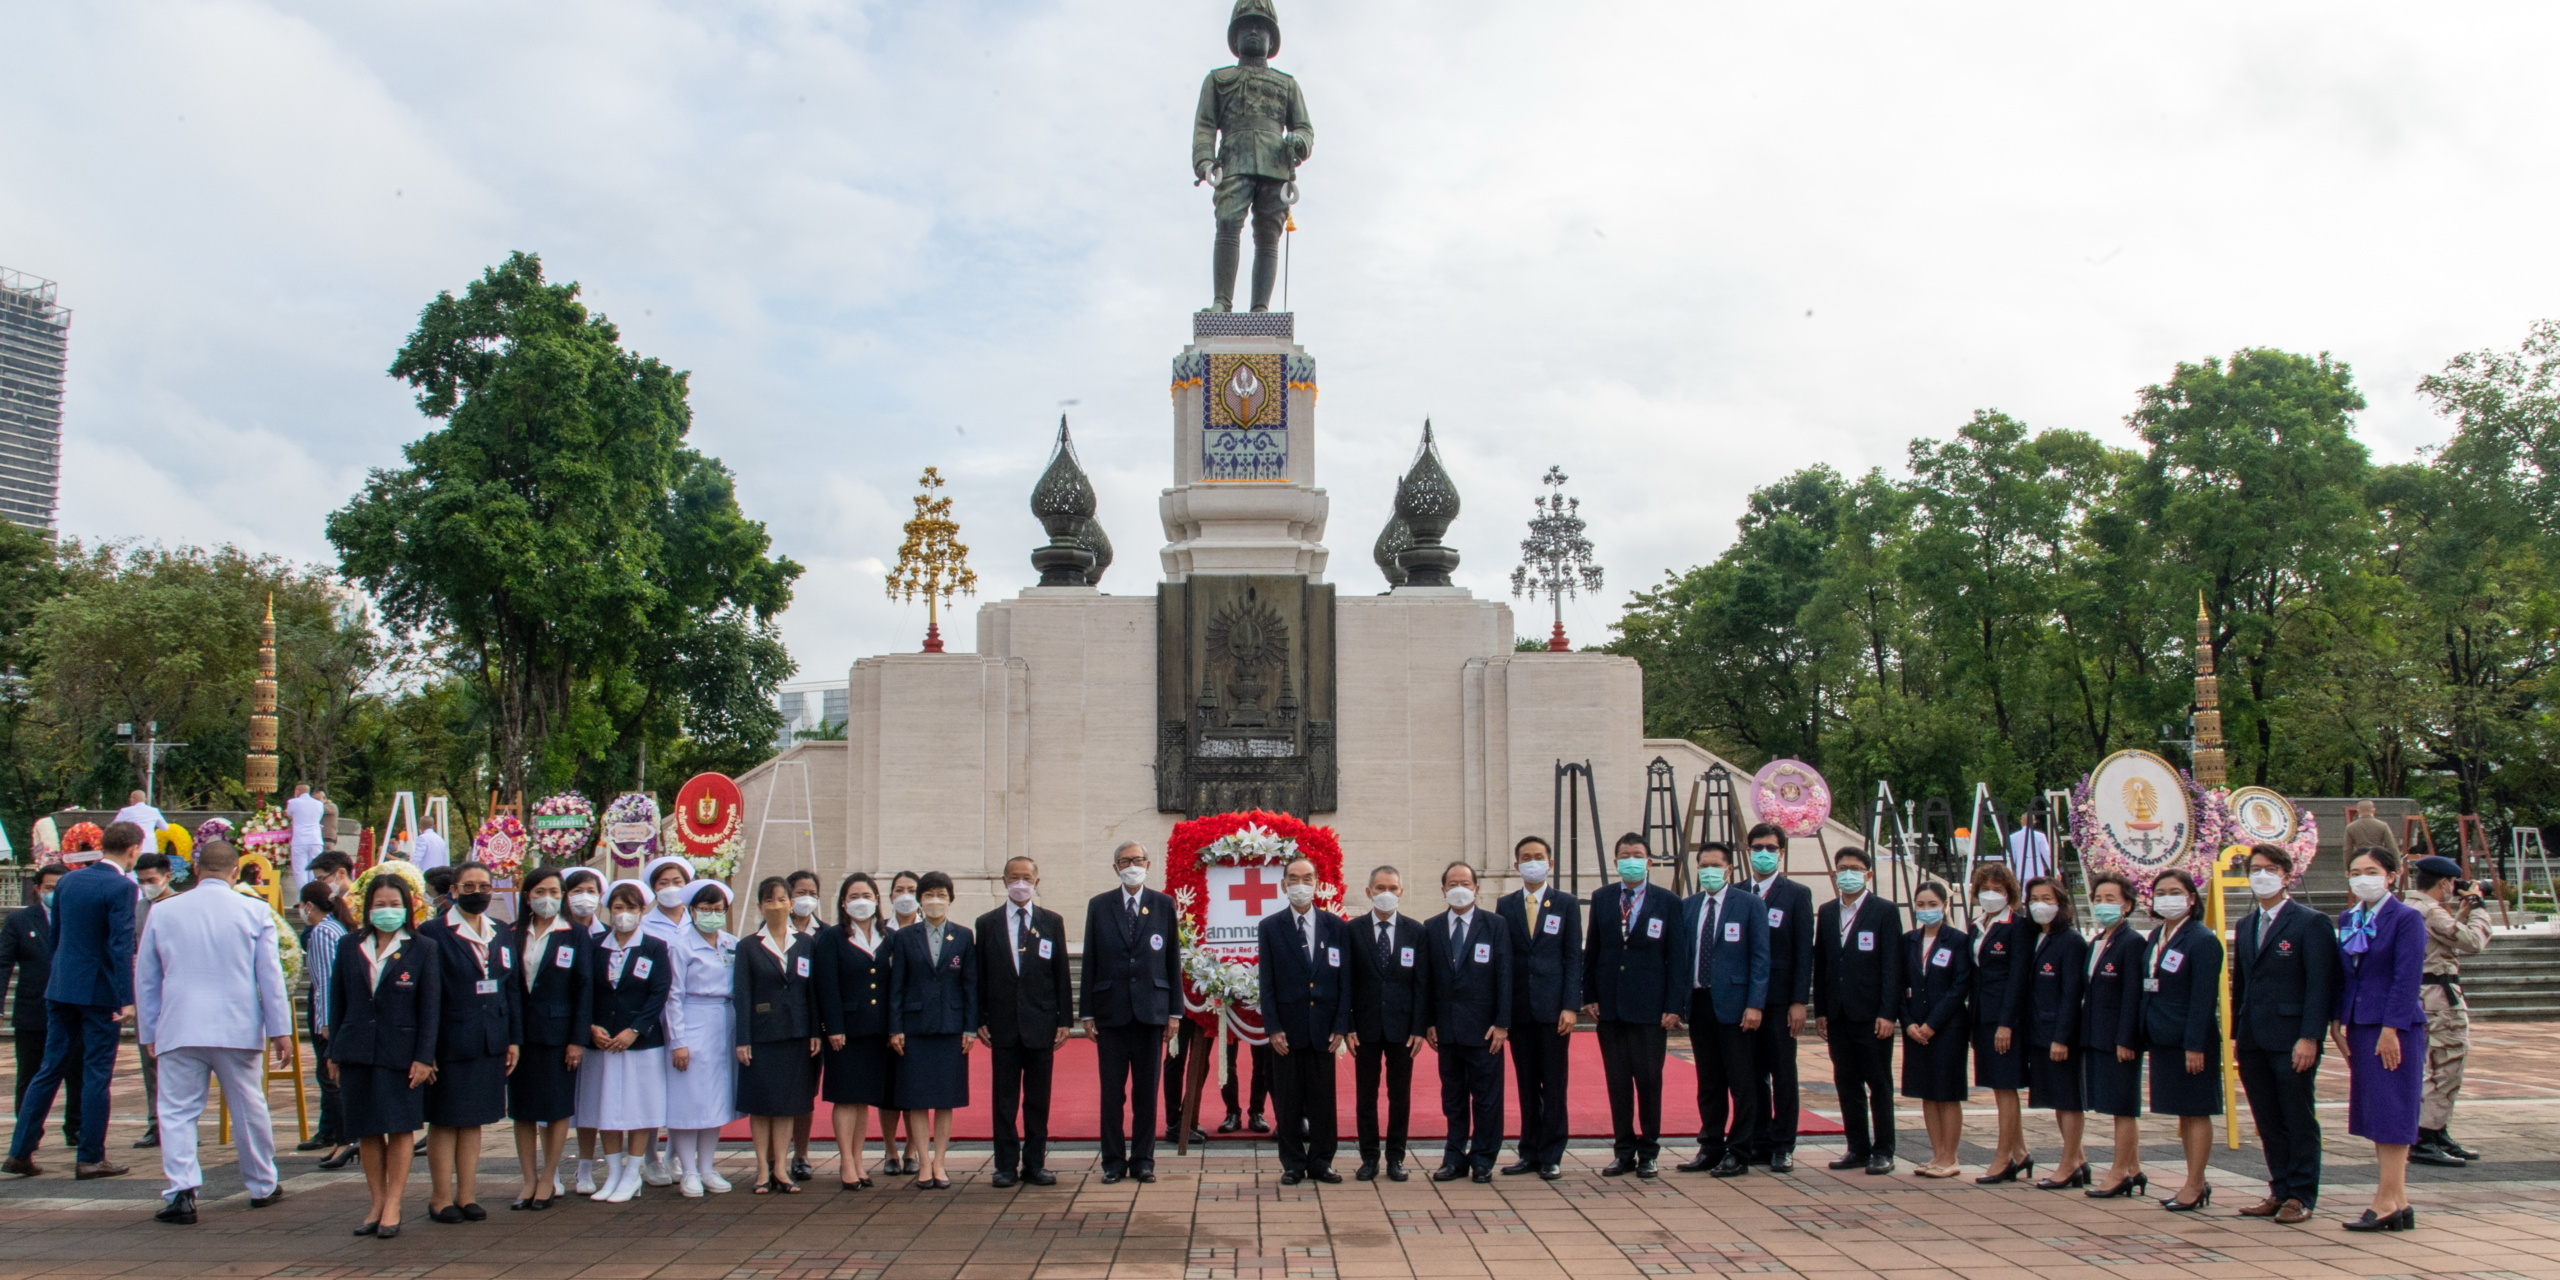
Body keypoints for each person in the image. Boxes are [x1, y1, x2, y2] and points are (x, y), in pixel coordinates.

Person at [134, 839, 294, 1225]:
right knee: (248, 1106)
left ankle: (182, 1190)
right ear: (236, 872)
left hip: (179, 1024)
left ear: (196, 869)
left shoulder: (164, 911)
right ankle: (262, 1184)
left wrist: (149, 1030)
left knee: (175, 1111)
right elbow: (270, 977)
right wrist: (280, 1031)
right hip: (236, 1025)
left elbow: (147, 978)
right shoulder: (254, 911)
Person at [3, 820, 146, 1180]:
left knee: (49, 1068)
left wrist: (58, 976)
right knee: (96, 1071)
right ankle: (90, 1155)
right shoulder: (121, 887)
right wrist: (125, 997)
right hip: (98, 991)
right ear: (132, 850)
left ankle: (20, 1151)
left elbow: (58, 936)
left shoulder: (67, 880)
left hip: (62, 985)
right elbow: (119, 944)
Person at [329, 875, 441, 1239]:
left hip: (402, 1052)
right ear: (367, 907)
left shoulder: (422, 947)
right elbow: (338, 1001)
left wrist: (425, 1057)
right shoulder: (349, 945)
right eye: (380, 904)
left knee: (399, 1126)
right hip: (356, 1048)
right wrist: (334, 1052)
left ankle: (394, 1202)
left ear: (407, 907)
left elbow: (430, 1007)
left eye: (394, 904)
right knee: (366, 1129)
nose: (387, 911)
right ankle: (376, 1201)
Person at [2228, 842, 2334, 1224]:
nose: (2262, 875)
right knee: (2267, 1118)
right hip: (2255, 1036)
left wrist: (2310, 1036)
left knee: (2297, 1115)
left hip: (2293, 1037)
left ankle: (2301, 1195)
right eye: (2255, 868)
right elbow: (2242, 983)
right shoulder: (2246, 923)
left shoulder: (2310, 922)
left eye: (2270, 868)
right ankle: (2279, 1187)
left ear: (2287, 875)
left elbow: (2320, 985)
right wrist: (2239, 1033)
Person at [416, 862, 519, 1223]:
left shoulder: (501, 930)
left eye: (485, 886)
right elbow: (427, 995)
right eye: (469, 886)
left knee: (474, 1119)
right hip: (449, 1039)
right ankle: (440, 1197)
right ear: (454, 890)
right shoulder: (433, 933)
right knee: (445, 1119)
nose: (478, 893)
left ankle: (468, 1194)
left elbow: (511, 988)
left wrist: (513, 1039)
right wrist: (426, 1051)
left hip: (490, 1037)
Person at [2334, 847, 2426, 1232]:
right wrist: (2339, 1020)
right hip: (2360, 1022)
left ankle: (2385, 1200)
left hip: (2394, 1027)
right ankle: (2398, 1200)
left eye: (2371, 870)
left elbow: (2407, 977)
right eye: (2355, 871)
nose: (2362, 878)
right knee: (2375, 1112)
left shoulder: (2406, 918)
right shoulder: (2348, 917)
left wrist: (2391, 1029)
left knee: (2393, 1110)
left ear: (2391, 875)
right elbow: (2346, 974)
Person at [1081, 842, 1182, 1185]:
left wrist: (1174, 1012)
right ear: (1115, 868)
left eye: (1137, 860)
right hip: (1111, 1012)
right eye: (1125, 861)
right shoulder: (1099, 905)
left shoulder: (1163, 904)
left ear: (1148, 864)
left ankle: (1143, 1160)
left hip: (1151, 1012)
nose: (1131, 865)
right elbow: (1091, 958)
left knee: (1145, 1092)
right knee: (1112, 1093)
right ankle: (1112, 1160)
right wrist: (1087, 1013)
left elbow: (1172, 960)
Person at [1582, 840, 1681, 1178]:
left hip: (1650, 1009)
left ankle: (1649, 1150)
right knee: (1618, 1082)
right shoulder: (1603, 898)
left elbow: (1677, 957)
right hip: (1609, 1008)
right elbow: (1593, 948)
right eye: (1625, 857)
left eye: (1637, 857)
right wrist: (1589, 995)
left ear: (1649, 862)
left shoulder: (1667, 901)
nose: (1631, 862)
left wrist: (1673, 1005)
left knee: (1649, 1080)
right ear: (1615, 861)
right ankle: (1623, 1150)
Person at [1256, 855, 1351, 1185]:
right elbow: (1266, 982)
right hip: (1287, 1030)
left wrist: (1341, 1025)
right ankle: (1293, 1163)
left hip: (1324, 1030)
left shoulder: (1336, 927)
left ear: (1317, 883)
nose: (1300, 885)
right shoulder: (1269, 927)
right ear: (1283, 885)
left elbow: (1344, 983)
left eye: (1307, 878)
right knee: (1288, 1099)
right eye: (1293, 879)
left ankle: (1322, 1161)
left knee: (1323, 1100)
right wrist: (1273, 1027)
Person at [977, 857, 1072, 1188]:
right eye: (1014, 877)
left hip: (1040, 1023)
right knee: (1003, 1100)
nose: (1021, 883)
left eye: (1026, 878)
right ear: (1004, 880)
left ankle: (1035, 1163)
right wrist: (980, 1017)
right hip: (1002, 1025)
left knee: (1037, 1099)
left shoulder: (1050, 922)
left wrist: (1064, 1019)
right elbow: (980, 975)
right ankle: (1005, 1165)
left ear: (1037, 881)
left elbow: (1060, 973)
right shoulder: (987, 923)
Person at [1675, 842, 1768, 1178]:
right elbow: (1681, 957)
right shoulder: (1688, 906)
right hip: (1699, 1002)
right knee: (1708, 1081)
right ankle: (1710, 1145)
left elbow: (1760, 957)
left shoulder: (1749, 904)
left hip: (1736, 1005)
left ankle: (1739, 1150)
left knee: (1742, 1082)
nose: (1709, 871)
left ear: (1729, 869)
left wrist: (1755, 1003)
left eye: (1715, 865)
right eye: (1703, 865)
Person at [1812, 846, 1901, 1174]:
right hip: (1838, 1013)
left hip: (1872, 1013)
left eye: (1854, 868)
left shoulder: (1884, 911)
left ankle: (1884, 1149)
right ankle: (1857, 1147)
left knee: (1878, 1082)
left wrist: (1888, 1012)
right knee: (1846, 1081)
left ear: (1868, 874)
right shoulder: (1828, 911)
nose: (1847, 875)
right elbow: (1821, 963)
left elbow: (1892, 965)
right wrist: (1821, 1009)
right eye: (1842, 869)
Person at [582, 880, 672, 1204]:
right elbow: (585, 990)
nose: (624, 915)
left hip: (639, 1043)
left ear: (642, 910)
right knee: (605, 1108)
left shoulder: (654, 947)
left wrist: (635, 1029)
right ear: (609, 910)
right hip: (602, 1042)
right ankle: (614, 1174)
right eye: (618, 908)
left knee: (638, 1109)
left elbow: (659, 992)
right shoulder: (594, 945)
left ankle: (633, 1173)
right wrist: (590, 1027)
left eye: (631, 908)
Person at [1496, 835, 1580, 1180]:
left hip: (1553, 1009)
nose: (1533, 862)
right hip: (1520, 1009)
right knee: (1527, 1084)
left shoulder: (1566, 903)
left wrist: (1570, 1006)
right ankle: (1528, 1150)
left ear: (1550, 863)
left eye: (1539, 857)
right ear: (1516, 866)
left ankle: (1552, 1152)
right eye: (1526, 858)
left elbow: (1573, 957)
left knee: (1554, 1083)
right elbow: (1503, 961)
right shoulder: (1506, 905)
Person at [507, 867, 590, 1210]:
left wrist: (577, 1039)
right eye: (541, 892)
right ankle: (528, 1178)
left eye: (556, 893)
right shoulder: (512, 933)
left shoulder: (574, 935)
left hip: (558, 1034)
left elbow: (584, 990)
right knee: (523, 1110)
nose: (548, 899)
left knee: (556, 1109)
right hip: (520, 1034)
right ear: (528, 896)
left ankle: (548, 1178)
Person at [886, 871, 973, 1190]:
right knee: (919, 1098)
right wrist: (895, 1027)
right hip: (915, 1027)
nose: (935, 901)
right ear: (920, 900)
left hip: (951, 1027)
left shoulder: (963, 936)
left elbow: (969, 985)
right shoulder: (905, 937)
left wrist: (971, 1027)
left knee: (945, 1099)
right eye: (929, 895)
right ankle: (923, 1162)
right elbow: (896, 986)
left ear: (950, 899)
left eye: (941, 895)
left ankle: (940, 1162)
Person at [1425, 860, 1509, 1183]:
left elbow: (1504, 976)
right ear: (1444, 889)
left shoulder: (1495, 925)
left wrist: (1502, 1023)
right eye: (1453, 883)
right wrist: (1428, 1022)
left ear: (1477, 888)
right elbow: (1426, 981)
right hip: (1446, 1030)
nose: (1459, 889)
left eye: (1466, 883)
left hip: (1485, 1029)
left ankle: (1484, 1157)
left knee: (1487, 1099)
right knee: (1454, 1098)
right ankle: (1454, 1156)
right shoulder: (1431, 927)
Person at [2143, 868, 2222, 1213]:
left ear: (2191, 898)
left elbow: (2203, 998)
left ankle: (2195, 1181)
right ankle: (2193, 1178)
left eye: (2175, 892)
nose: (2167, 898)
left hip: (2191, 1038)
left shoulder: (2202, 939)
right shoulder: (2156, 936)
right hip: (2162, 1034)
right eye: (2160, 892)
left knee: (2196, 1110)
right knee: (2182, 1114)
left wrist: (2194, 1044)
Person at [2406, 854, 2490, 1167]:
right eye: (2453, 884)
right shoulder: (2430, 911)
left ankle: (2437, 1129)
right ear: (2444, 882)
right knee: (2447, 1063)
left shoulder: (2411, 906)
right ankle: (2426, 1136)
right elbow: (2473, 942)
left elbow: (2446, 940)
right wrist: (2479, 909)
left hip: (2424, 994)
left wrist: (2462, 910)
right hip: (2439, 999)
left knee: (2437, 1064)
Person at [1740, 823, 1814, 1172]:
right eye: (1758, 847)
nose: (1764, 853)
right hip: (1744, 1000)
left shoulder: (1796, 894)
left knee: (1783, 1073)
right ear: (1748, 850)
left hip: (1781, 999)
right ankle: (1758, 1139)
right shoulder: (1737, 892)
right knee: (1750, 1074)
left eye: (1771, 848)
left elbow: (1803, 951)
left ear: (1781, 852)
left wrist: (1799, 1000)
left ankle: (1783, 1143)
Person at [1347, 864, 1426, 1182]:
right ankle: (1369, 1158)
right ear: (1369, 893)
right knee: (1366, 1095)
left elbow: (1422, 984)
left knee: (1399, 1095)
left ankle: (1396, 1158)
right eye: (1380, 888)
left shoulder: (1415, 931)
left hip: (1402, 1029)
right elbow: (1346, 982)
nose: (1386, 894)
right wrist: (1348, 1025)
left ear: (1401, 892)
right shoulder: (1353, 931)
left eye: (1392, 888)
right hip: (1364, 1028)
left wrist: (1419, 1027)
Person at [816, 872, 894, 1190]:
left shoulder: (888, 937)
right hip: (845, 1030)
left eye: (867, 896)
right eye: (854, 897)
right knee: (846, 1097)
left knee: (863, 1099)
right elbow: (826, 986)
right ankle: (845, 1161)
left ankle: (859, 1159)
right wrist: (833, 1026)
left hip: (876, 1030)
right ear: (843, 903)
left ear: (877, 900)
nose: (861, 902)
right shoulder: (832, 938)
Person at [666, 882, 740, 1197]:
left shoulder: (732, 944)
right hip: (692, 1018)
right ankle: (688, 1170)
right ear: (693, 910)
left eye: (718, 909)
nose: (712, 915)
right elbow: (672, 996)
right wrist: (677, 1040)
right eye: (705, 909)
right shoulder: (681, 946)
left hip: (725, 1021)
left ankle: (708, 1167)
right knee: (688, 1099)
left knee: (716, 1101)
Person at [0, 865, 76, 1161]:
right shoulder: (20, 921)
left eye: (59, 888)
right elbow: (3, 962)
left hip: (72, 1009)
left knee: (78, 1073)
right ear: (37, 888)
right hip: (33, 1011)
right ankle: (27, 1135)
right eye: (48, 888)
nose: (53, 894)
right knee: (30, 1076)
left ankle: (77, 1128)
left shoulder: (77, 918)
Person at [2079, 872, 2147, 1198]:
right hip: (2097, 1033)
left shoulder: (2132, 943)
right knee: (2112, 1102)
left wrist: (2126, 1038)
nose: (2103, 905)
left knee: (2123, 1106)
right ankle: (2133, 1168)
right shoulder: (2098, 941)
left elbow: (2133, 994)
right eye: (2099, 899)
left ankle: (2120, 1170)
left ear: (2128, 904)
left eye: (2111, 899)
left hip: (2119, 1038)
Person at [2019, 876, 2090, 1190]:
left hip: (2060, 1034)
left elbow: (2072, 993)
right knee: (2057, 1100)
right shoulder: (2035, 936)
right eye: (2034, 898)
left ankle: (2069, 1162)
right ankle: (2079, 1160)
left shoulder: (2070, 941)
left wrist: (2062, 1037)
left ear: (2060, 903)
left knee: (2068, 1100)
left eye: (2047, 898)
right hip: (2037, 1029)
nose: (2039, 905)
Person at [1899, 880, 1972, 1178]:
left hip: (1947, 1028)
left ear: (1944, 906)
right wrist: (1909, 1023)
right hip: (1915, 1027)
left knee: (1947, 1092)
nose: (1926, 910)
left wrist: (1932, 1024)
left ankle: (1950, 1156)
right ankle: (1936, 1153)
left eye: (1932, 905)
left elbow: (1959, 987)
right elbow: (1898, 983)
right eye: (1921, 905)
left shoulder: (1957, 940)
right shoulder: (1909, 941)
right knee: (1927, 1092)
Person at [1967, 862, 2033, 1183]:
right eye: (1985, 889)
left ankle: (2003, 1156)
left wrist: (2007, 1023)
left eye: (1998, 890)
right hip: (1981, 1016)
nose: (1990, 895)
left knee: (2006, 1088)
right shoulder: (1977, 925)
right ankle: (2021, 1153)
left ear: (2010, 894)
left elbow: (2018, 977)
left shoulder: (2017, 927)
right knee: (1997, 1086)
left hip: (2004, 1020)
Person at [298, 880, 359, 1169]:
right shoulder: (337, 927)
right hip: (337, 1011)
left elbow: (325, 982)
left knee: (329, 1077)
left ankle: (344, 1140)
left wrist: (325, 1021)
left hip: (328, 1013)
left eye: (301, 905)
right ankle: (344, 1138)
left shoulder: (322, 931)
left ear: (310, 905)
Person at [560, 868, 613, 1194]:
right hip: (561, 1028)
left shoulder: (606, 935)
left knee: (591, 1104)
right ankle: (552, 1170)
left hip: (597, 1032)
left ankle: (586, 1169)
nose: (584, 896)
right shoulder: (557, 931)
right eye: (577, 889)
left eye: (591, 889)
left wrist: (595, 1026)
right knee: (555, 1105)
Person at [879, 869, 925, 1175]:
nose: (904, 895)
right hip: (885, 1018)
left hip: (918, 1020)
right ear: (891, 895)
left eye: (911, 889)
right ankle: (890, 1150)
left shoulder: (929, 929)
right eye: (899, 889)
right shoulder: (879, 931)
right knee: (887, 1090)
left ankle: (912, 1150)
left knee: (914, 1089)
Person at [131, 852, 177, 1151]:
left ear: (167, 877)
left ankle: (179, 1123)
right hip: (147, 992)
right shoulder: (139, 908)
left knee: (177, 1062)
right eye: (141, 881)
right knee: (149, 1062)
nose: (147, 886)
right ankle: (155, 1122)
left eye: (152, 880)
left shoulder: (179, 905)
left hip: (175, 992)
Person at [783, 869, 825, 1182]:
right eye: (799, 892)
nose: (805, 898)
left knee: (805, 1093)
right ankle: (774, 1156)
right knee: (779, 1089)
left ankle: (801, 1154)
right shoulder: (769, 931)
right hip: (780, 1023)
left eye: (811, 892)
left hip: (814, 1026)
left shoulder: (826, 934)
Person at [286, 784, 326, 891]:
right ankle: (314, 893)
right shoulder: (319, 804)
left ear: (297, 791)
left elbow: (288, 813)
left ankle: (303, 896)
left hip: (300, 839)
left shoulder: (293, 802)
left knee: (300, 870)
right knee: (314, 869)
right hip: (315, 839)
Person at [111, 791, 167, 856]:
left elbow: (113, 827)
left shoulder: (125, 811)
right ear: (145, 799)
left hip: (132, 845)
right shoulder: (154, 811)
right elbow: (165, 828)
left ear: (131, 799)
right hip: (150, 846)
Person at [2005, 811, 2054, 883]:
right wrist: (2055, 871)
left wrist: (2009, 872)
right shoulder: (2040, 836)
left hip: (2022, 872)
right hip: (2037, 871)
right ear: (2033, 822)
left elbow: (2010, 857)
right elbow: (2047, 854)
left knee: (2023, 893)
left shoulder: (2012, 837)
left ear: (2021, 821)